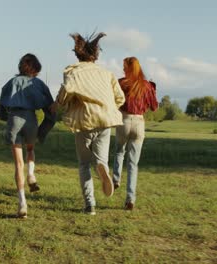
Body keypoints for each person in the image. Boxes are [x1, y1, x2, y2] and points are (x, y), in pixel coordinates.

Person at [52, 32, 125, 215]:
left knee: (84, 164)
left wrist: (59, 102)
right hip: (105, 120)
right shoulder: (107, 74)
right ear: (96, 55)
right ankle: (102, 167)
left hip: (84, 120)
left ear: (78, 54)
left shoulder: (73, 72)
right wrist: (108, 107)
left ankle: (89, 205)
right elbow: (120, 98)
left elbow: (67, 90)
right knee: (101, 158)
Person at [0, 53, 55, 218]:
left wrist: (4, 117)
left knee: (18, 164)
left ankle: (22, 203)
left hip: (14, 120)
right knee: (30, 149)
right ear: (36, 68)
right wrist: (42, 131)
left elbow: (2, 105)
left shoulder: (11, 82)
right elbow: (50, 110)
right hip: (31, 120)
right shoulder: (39, 84)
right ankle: (31, 174)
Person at [112, 57, 158, 210]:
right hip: (139, 123)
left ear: (129, 69)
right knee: (133, 164)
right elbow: (154, 107)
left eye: (124, 67)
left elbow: (114, 101)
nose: (123, 69)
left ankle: (116, 179)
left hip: (124, 120)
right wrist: (153, 89)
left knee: (119, 151)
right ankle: (130, 199)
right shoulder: (147, 86)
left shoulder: (121, 83)